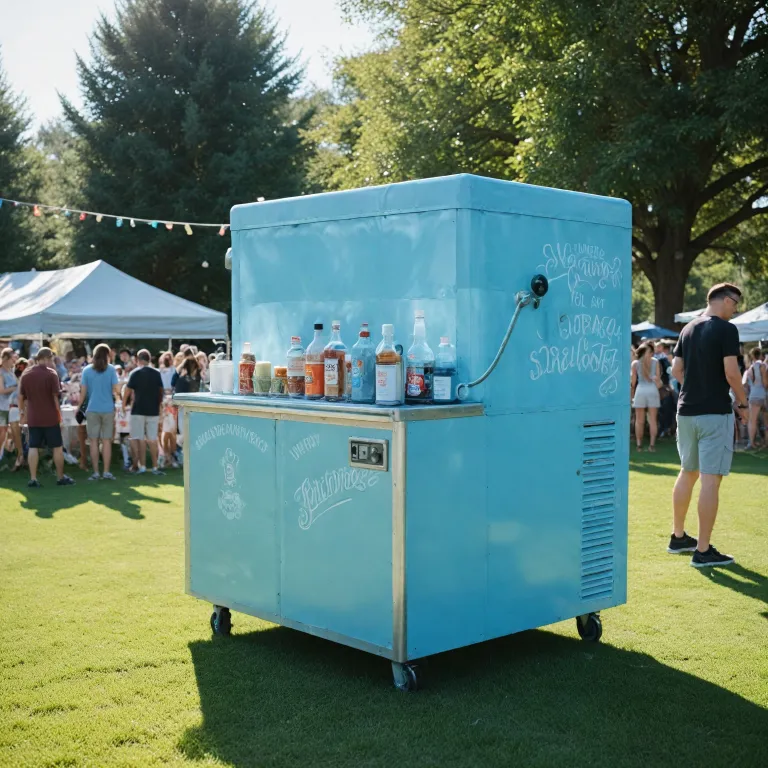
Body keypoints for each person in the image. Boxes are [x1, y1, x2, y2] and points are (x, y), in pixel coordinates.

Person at [668, 283, 748, 568]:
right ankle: (703, 551)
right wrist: (743, 403)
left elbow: (677, 370)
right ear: (726, 300)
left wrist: (695, 384)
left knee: (688, 472)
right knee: (710, 479)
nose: (737, 308)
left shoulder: (687, 329)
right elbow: (732, 373)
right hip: (714, 412)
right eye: (736, 303)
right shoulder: (727, 329)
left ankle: (678, 538)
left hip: (686, 411)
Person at [17, 348, 75, 487]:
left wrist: (22, 413)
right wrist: (59, 416)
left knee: (33, 446)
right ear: (47, 358)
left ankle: (33, 479)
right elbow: (55, 398)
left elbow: (21, 397)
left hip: (33, 417)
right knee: (57, 447)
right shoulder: (51, 374)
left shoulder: (26, 374)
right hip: (50, 417)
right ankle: (60, 478)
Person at [80, 343, 120, 480]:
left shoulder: (86, 370)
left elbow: (83, 393)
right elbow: (116, 390)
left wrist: (79, 407)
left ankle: (96, 472)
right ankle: (107, 471)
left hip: (92, 409)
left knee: (93, 441)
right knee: (107, 441)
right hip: (108, 409)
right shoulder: (111, 370)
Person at [122, 349, 164, 475]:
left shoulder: (135, 373)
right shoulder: (156, 373)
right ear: (149, 359)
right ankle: (155, 466)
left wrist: (124, 405)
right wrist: (159, 403)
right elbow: (161, 390)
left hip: (138, 409)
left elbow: (127, 391)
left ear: (138, 360)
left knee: (139, 438)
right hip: (153, 409)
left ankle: (142, 466)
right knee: (152, 439)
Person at [631, 343, 661, 451]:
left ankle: (639, 445)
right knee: (653, 420)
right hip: (652, 389)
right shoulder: (655, 361)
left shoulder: (635, 363)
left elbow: (633, 382)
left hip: (640, 390)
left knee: (639, 420)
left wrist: (631, 394)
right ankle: (652, 445)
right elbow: (657, 377)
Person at [743, 347, 767, 450]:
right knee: (766, 420)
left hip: (754, 395)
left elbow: (744, 385)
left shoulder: (749, 369)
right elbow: (765, 383)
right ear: (760, 355)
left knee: (752, 420)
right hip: (764, 395)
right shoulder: (763, 366)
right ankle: (766, 441)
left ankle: (751, 443)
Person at [8, 357, 28, 471]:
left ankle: (21, 457)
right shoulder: (17, 381)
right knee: (17, 434)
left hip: (20, 410)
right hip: (16, 410)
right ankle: (20, 456)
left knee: (19, 435)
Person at [0, 348, 19, 466]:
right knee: (2, 431)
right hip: (2, 407)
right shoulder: (1, 372)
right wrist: (14, 388)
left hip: (12, 407)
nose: (14, 361)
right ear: (6, 359)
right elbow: (1, 390)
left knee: (11, 431)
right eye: (12, 358)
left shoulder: (12, 371)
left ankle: (6, 452)